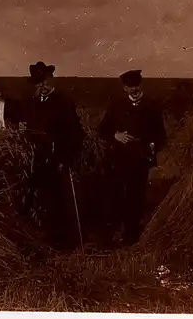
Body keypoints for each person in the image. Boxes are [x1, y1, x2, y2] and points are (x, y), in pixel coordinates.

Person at [18, 61, 85, 250]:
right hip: (34, 160)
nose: (42, 86)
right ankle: (38, 239)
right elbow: (25, 127)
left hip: (56, 161)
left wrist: (64, 159)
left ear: (52, 80)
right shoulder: (29, 104)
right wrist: (23, 129)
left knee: (58, 202)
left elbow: (76, 134)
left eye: (45, 81)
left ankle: (61, 243)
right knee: (36, 200)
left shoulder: (64, 103)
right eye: (38, 83)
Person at [98, 69, 167, 246]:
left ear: (140, 84)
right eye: (129, 86)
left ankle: (131, 235)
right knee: (117, 194)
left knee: (135, 195)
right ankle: (113, 232)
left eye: (136, 85)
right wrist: (115, 135)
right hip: (119, 158)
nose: (133, 89)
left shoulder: (152, 106)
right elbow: (102, 130)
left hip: (141, 159)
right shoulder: (116, 106)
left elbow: (161, 136)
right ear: (124, 88)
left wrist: (152, 146)